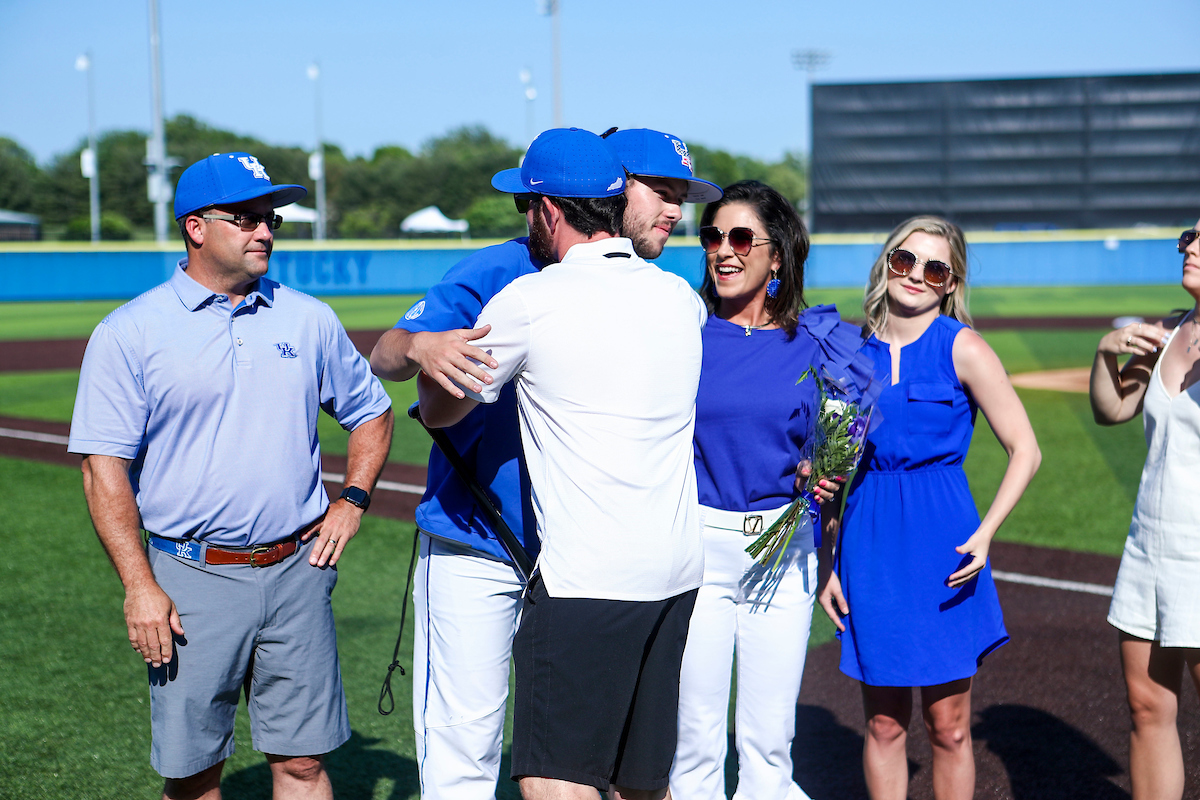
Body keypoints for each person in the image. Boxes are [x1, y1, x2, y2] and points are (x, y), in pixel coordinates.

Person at [369, 128, 719, 800]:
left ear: (551, 208)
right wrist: (420, 348)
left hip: (578, 563)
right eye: (662, 193)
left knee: (566, 771)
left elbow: (439, 413)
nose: (673, 212)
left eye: (679, 197)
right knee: (468, 744)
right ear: (616, 193)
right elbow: (386, 352)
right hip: (483, 537)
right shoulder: (503, 272)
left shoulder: (651, 290)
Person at [68, 152, 394, 800]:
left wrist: (352, 500)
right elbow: (103, 469)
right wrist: (139, 586)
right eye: (244, 218)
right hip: (191, 578)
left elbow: (372, 413)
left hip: (298, 571)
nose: (264, 231)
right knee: (193, 776)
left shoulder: (307, 318)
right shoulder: (130, 331)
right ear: (195, 227)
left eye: (269, 218)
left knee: (302, 765)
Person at [818, 215, 1040, 800]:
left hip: (945, 545)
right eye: (904, 260)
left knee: (950, 727)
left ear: (950, 282)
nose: (915, 275)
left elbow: (1026, 450)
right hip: (870, 544)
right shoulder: (850, 355)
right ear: (886, 263)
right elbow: (832, 477)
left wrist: (987, 533)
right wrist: (828, 564)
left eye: (934, 268)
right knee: (884, 724)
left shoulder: (962, 346)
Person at [670, 180, 867, 800]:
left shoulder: (818, 340)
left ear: (776, 254)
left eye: (739, 237)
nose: (722, 251)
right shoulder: (683, 332)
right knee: (695, 743)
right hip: (695, 551)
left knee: (767, 746)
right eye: (711, 236)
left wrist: (828, 467)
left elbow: (845, 440)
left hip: (785, 556)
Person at [1089, 224, 1200, 800]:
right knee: (1146, 706)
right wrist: (1107, 355)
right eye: (1190, 236)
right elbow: (1113, 410)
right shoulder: (1174, 328)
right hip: (1150, 545)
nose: (1191, 247)